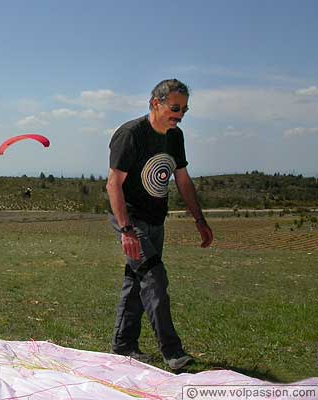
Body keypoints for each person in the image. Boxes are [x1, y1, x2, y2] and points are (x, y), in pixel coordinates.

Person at [105, 79, 213, 371]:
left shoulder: (175, 137)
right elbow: (113, 184)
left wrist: (199, 220)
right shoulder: (131, 134)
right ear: (156, 103)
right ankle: (173, 352)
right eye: (175, 108)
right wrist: (126, 230)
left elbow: (183, 180)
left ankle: (123, 345)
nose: (180, 115)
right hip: (131, 219)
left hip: (156, 220)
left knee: (137, 279)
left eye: (184, 110)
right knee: (155, 279)